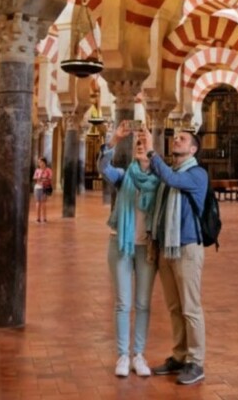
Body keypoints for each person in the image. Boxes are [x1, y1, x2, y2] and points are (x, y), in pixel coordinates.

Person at [143, 128, 209, 386]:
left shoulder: (197, 174)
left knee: (191, 308)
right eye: (176, 137)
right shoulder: (168, 173)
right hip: (166, 249)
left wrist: (151, 150)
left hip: (187, 248)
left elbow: (171, 179)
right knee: (174, 307)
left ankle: (196, 361)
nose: (176, 140)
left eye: (182, 139)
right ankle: (180, 356)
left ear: (193, 149)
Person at [98, 121, 161, 378]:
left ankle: (139, 354)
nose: (140, 145)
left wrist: (151, 144)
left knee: (143, 303)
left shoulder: (159, 181)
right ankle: (123, 355)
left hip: (146, 248)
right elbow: (103, 167)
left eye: (143, 143)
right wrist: (114, 140)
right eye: (137, 143)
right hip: (120, 245)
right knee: (123, 303)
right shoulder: (124, 177)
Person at [32, 157, 53, 223]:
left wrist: (41, 179)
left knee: (44, 203)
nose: (39, 163)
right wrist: (41, 178)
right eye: (38, 162)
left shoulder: (48, 170)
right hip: (37, 188)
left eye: (41, 162)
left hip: (45, 187)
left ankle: (44, 218)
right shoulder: (37, 170)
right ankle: (38, 218)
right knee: (38, 202)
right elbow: (34, 178)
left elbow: (49, 178)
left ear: (44, 162)